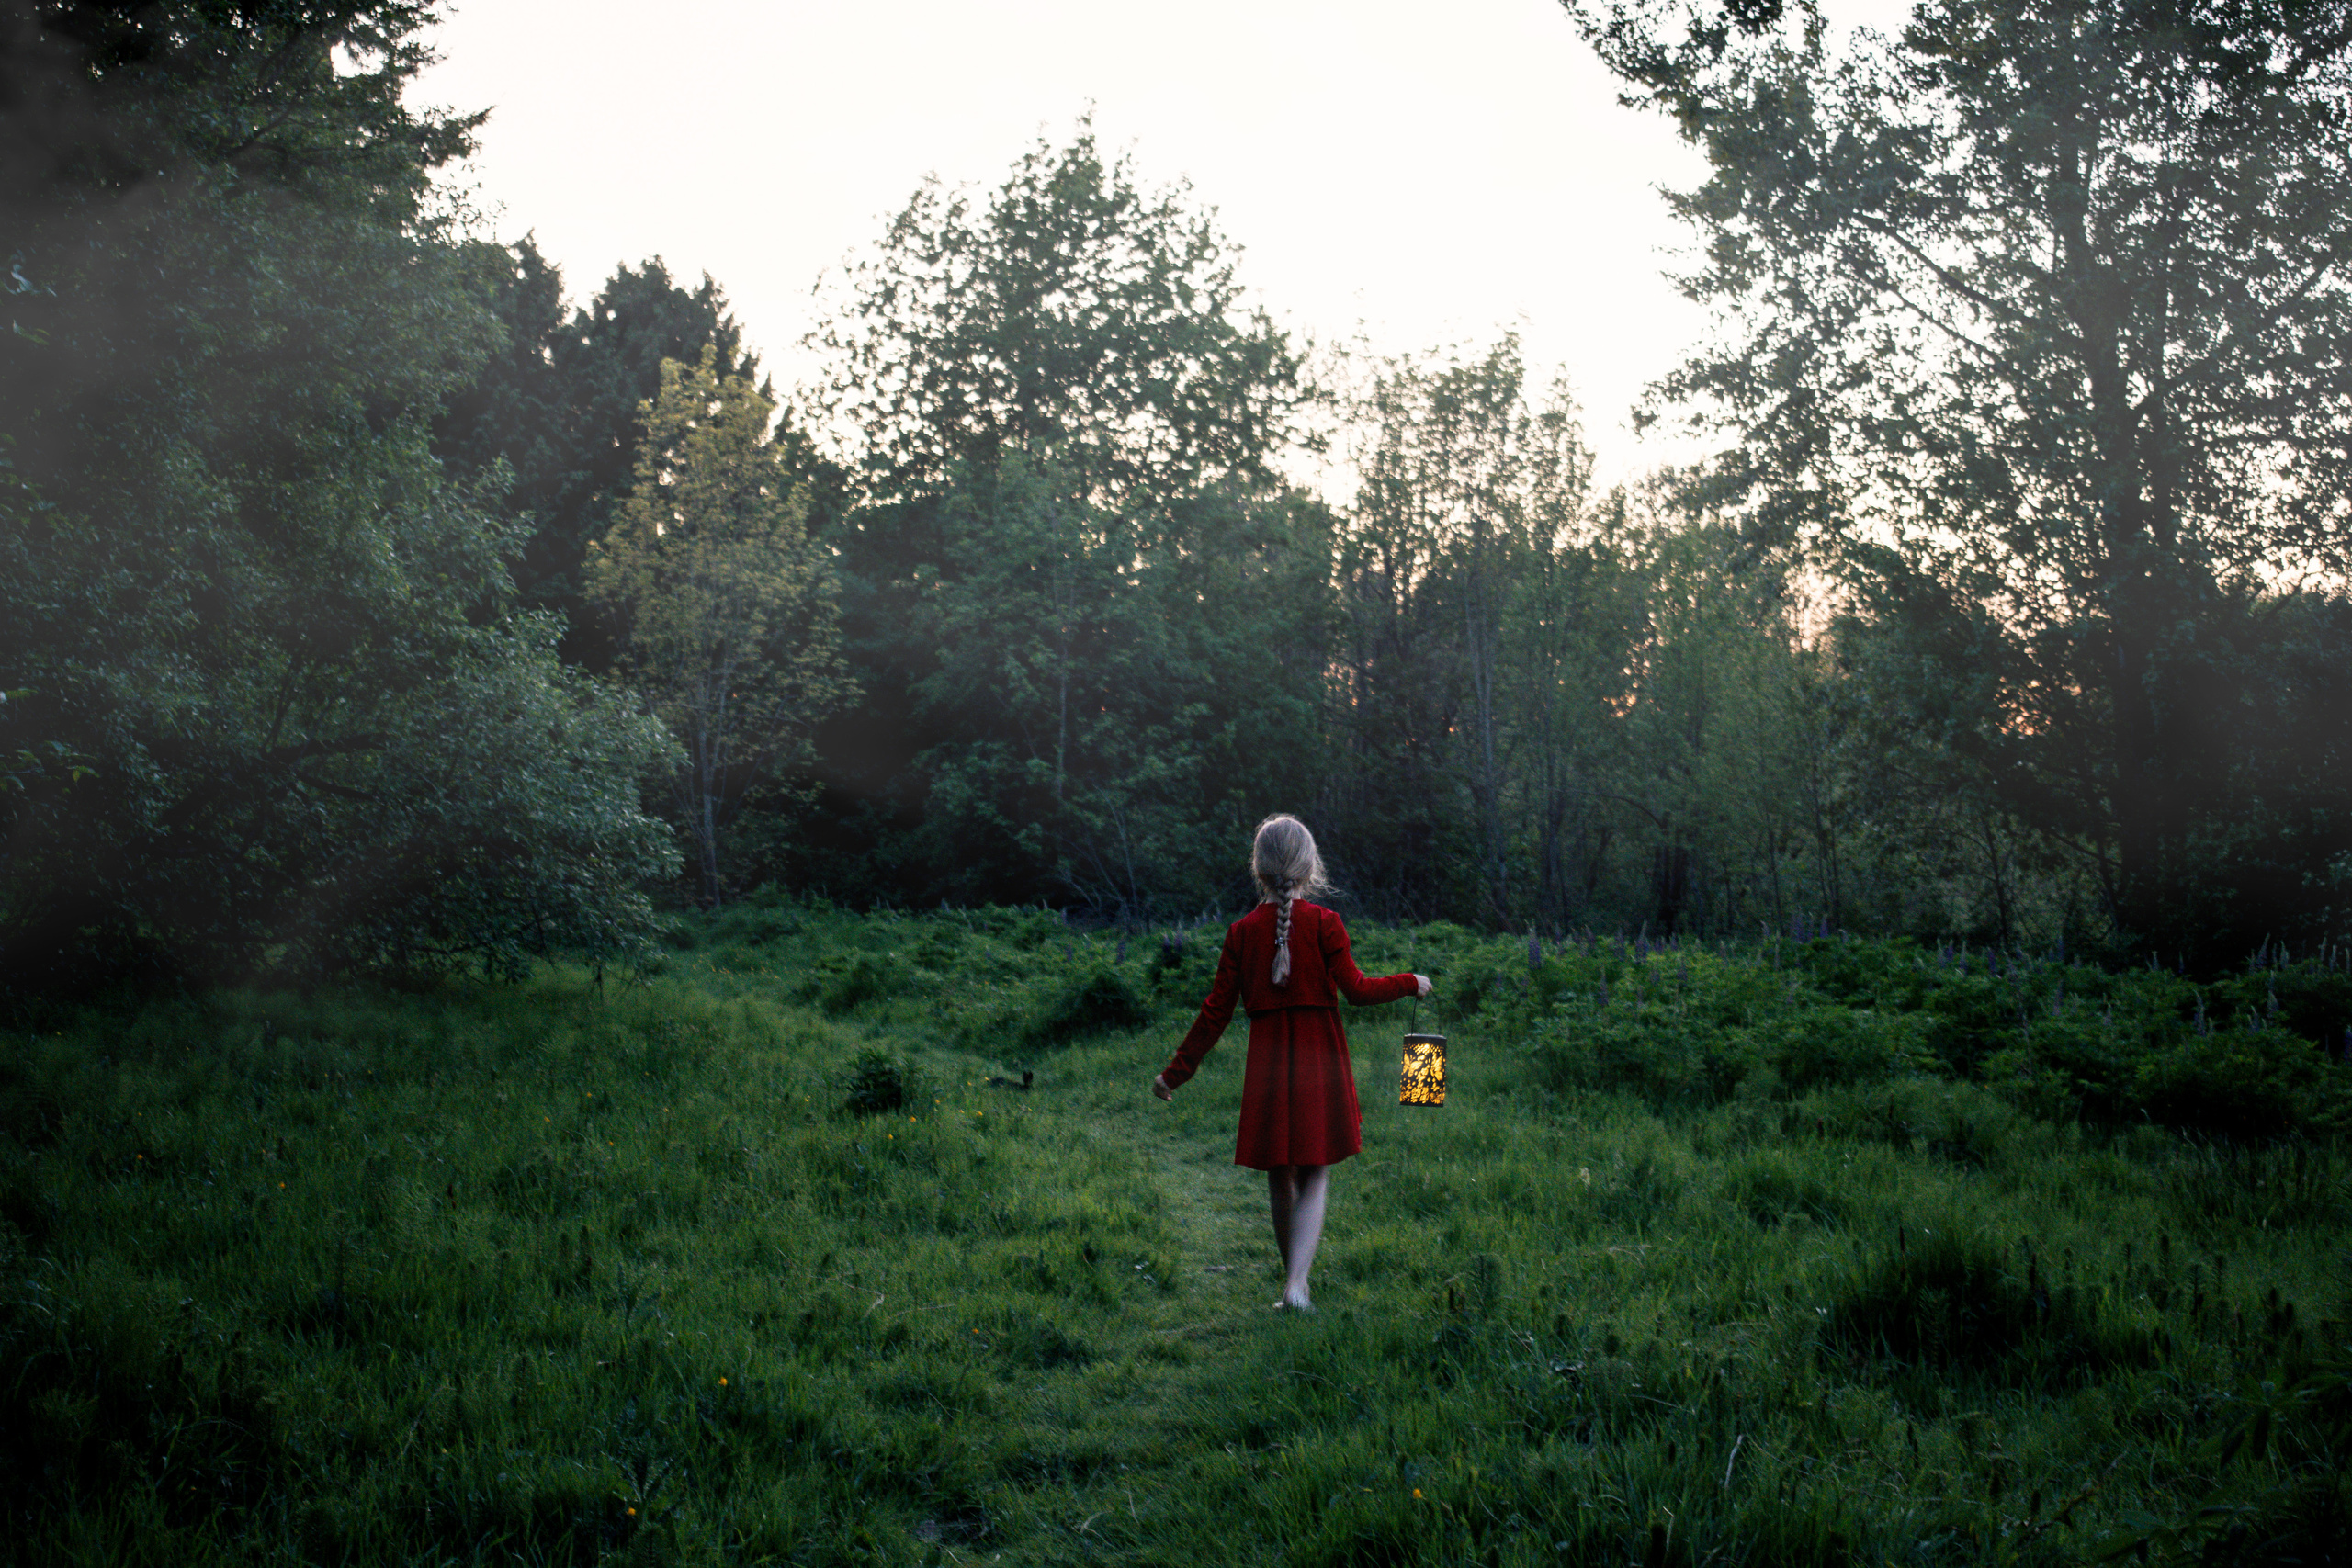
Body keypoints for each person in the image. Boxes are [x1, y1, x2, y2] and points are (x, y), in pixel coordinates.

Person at [1151, 814, 1431, 1312]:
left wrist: (1174, 1075)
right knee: (1315, 1169)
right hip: (1319, 1059)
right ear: (1308, 866)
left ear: (1259, 868)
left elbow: (1215, 1014)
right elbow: (1358, 991)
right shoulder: (1325, 923)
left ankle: (1293, 1287)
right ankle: (1297, 1285)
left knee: (1280, 1172)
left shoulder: (1241, 933)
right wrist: (1411, 982)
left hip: (1268, 1067)